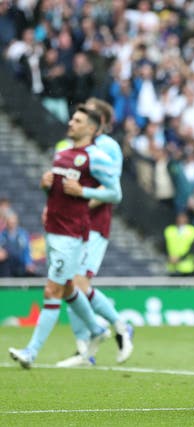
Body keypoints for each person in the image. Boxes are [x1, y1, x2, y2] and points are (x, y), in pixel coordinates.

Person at [9, 105, 122, 369]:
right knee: (68, 287)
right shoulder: (62, 153)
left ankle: (31, 351)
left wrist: (83, 191)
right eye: (72, 118)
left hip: (72, 234)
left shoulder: (96, 156)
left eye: (78, 120)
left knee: (52, 289)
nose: (71, 122)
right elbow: (60, 193)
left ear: (92, 128)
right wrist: (46, 187)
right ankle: (96, 329)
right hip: (54, 230)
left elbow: (115, 194)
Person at [55, 97, 134, 368]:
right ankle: (84, 348)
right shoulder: (72, 147)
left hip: (94, 222)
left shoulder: (108, 147)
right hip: (71, 224)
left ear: (96, 122)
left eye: (85, 113)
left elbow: (110, 189)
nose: (78, 116)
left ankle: (118, 325)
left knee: (77, 282)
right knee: (68, 282)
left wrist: (80, 203)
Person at [0, 210, 36, 277]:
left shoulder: (22, 234)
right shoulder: (2, 235)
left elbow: (26, 250)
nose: (12, 224)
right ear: (6, 222)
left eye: (14, 222)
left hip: (20, 264)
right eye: (10, 222)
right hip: (6, 266)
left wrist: (29, 263)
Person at [163, 212, 194, 276]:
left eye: (183, 217)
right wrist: (169, 257)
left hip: (186, 266)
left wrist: (180, 258)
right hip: (172, 266)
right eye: (179, 217)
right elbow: (164, 245)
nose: (181, 219)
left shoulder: (192, 230)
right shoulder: (169, 230)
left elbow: (193, 248)